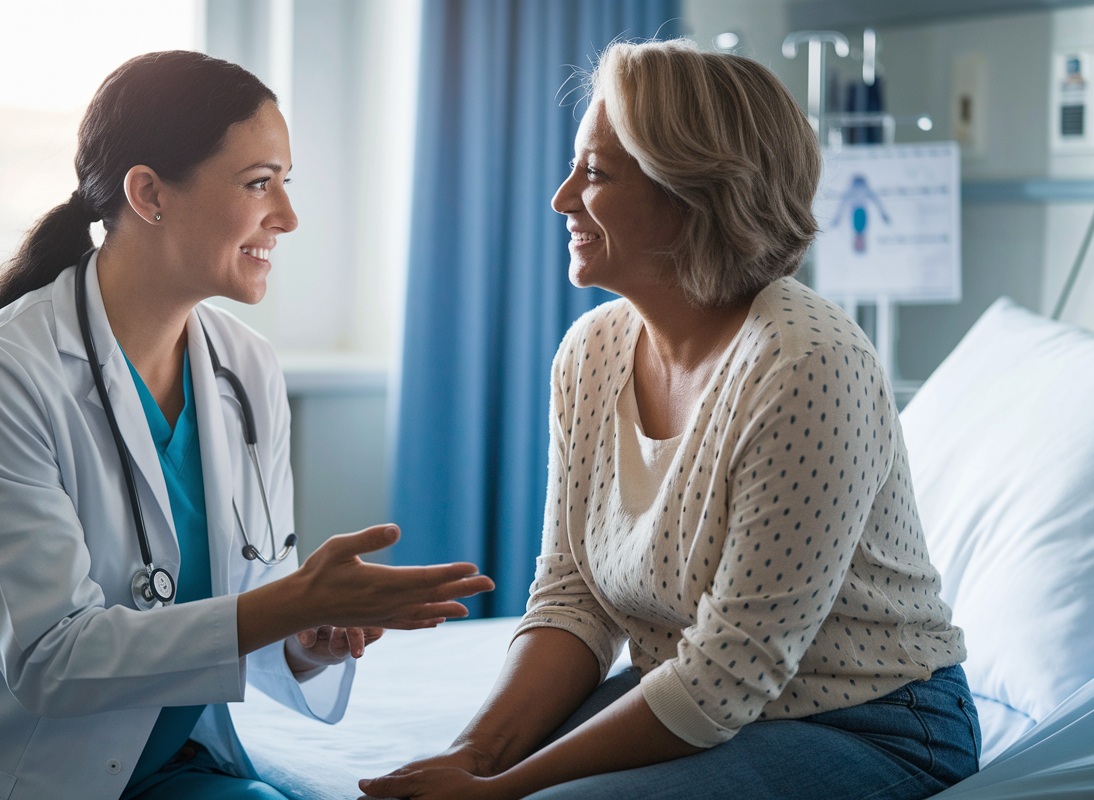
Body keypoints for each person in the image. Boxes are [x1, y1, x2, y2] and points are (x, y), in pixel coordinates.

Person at [0, 51, 492, 800]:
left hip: (166, 770)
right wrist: (296, 600)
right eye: (258, 183)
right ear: (147, 193)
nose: (288, 215)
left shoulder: (246, 369)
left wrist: (309, 638)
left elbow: (247, 608)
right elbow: (54, 660)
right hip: (3, 775)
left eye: (286, 181)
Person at [360, 39, 978, 800]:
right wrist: (474, 757)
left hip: (874, 723)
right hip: (714, 703)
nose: (560, 199)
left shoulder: (806, 362)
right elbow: (573, 598)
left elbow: (731, 670)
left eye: (593, 172)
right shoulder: (592, 353)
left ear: (693, 193)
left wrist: (504, 791)